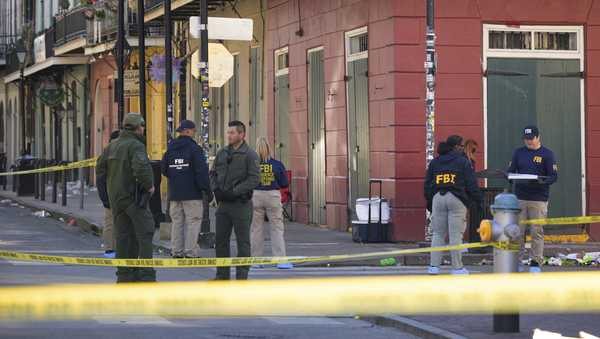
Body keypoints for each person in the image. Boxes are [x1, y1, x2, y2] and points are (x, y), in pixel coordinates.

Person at [96, 113, 156, 283]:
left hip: (116, 199)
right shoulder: (135, 145)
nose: (143, 129)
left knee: (123, 236)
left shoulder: (112, 145)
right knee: (145, 232)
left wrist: (108, 192)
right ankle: (146, 274)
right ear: (138, 127)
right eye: (142, 126)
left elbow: (100, 169)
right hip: (133, 197)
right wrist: (149, 185)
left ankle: (124, 274)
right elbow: (141, 168)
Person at [424, 135, 482, 275]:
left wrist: (430, 202)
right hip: (457, 198)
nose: (463, 149)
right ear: (456, 147)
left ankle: (433, 266)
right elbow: (471, 184)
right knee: (455, 235)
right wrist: (478, 199)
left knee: (438, 234)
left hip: (438, 197)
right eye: (462, 146)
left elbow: (427, 185)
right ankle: (457, 268)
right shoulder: (462, 162)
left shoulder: (435, 162)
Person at [210, 120, 260, 280]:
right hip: (223, 205)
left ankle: (242, 277)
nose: (229, 135)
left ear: (242, 134)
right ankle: (222, 275)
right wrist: (216, 189)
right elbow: (212, 173)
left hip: (241, 204)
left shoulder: (250, 154)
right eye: (228, 132)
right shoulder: (222, 153)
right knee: (220, 241)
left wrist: (235, 192)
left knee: (243, 242)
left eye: (232, 133)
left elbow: (254, 179)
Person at [507, 125, 558, 273]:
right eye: (526, 139)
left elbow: (553, 176)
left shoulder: (547, 154)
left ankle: (536, 261)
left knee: (537, 231)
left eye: (531, 139)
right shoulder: (518, 153)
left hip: (538, 199)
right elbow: (511, 172)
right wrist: (511, 178)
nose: (528, 142)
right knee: (518, 231)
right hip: (520, 198)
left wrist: (541, 181)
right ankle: (517, 261)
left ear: (538, 137)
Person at [161, 120, 210, 258]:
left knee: (177, 222)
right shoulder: (195, 149)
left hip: (175, 193)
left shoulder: (171, 148)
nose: (194, 134)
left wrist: (176, 176)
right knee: (193, 222)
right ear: (188, 131)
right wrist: (206, 190)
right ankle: (190, 252)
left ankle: (176, 251)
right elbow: (201, 172)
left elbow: (164, 169)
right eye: (194, 131)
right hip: (192, 193)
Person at [250, 137, 291, 269]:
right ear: (269, 148)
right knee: (276, 228)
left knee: (256, 229)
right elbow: (284, 183)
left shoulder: (252, 164)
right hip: (272, 195)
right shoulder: (277, 164)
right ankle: (280, 259)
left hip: (256, 195)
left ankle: (256, 260)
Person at [97, 130, 120, 258]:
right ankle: (111, 249)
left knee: (111, 223)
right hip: (115, 195)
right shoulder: (112, 154)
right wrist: (105, 198)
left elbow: (100, 179)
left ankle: (111, 249)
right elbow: (101, 179)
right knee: (112, 223)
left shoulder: (105, 155)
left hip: (113, 195)